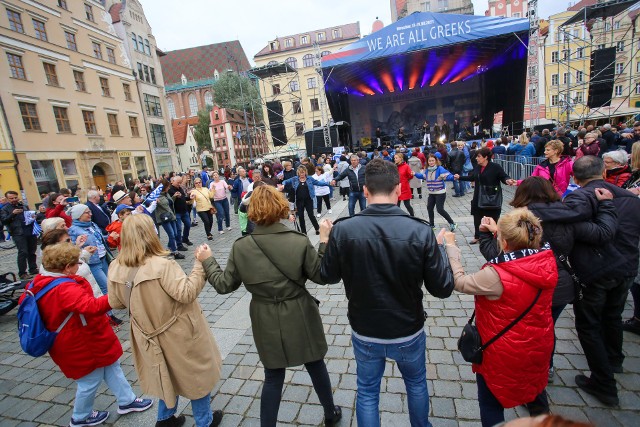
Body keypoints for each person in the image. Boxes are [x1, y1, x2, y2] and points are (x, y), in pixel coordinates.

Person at [320, 158, 454, 426]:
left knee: (368, 392)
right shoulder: (420, 230)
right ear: (398, 189)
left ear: (365, 191)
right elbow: (442, 288)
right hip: (407, 328)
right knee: (416, 384)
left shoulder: (343, 229)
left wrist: (325, 240)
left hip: (365, 328)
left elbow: (327, 276)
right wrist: (441, 249)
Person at [202, 186, 341, 427]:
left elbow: (224, 285)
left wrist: (208, 262)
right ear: (281, 208)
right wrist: (325, 240)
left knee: (273, 375)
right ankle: (330, 413)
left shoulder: (241, 246)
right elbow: (322, 276)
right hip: (299, 310)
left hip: (264, 315)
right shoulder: (297, 240)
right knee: (315, 363)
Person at [480, 177, 617, 383]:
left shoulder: (518, 220)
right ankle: (546, 366)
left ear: (521, 195)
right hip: (559, 284)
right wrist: (606, 205)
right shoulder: (568, 216)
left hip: (527, 286)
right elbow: (603, 233)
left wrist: (486, 234)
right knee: (547, 326)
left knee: (529, 330)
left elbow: (496, 254)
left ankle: (535, 371)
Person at [528, 155, 640, 407]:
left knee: (589, 326)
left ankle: (604, 382)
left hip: (597, 270)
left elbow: (590, 229)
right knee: (612, 316)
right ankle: (614, 361)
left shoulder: (581, 198)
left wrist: (536, 209)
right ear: (603, 171)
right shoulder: (630, 198)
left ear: (574, 177)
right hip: (626, 268)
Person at [441, 209, 557, 427]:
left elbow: (460, 282)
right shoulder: (546, 261)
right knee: (535, 391)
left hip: (503, 351)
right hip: (538, 345)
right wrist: (497, 233)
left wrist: (451, 247)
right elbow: (515, 257)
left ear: (504, 243)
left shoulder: (495, 275)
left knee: (491, 403)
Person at [107, 214, 224, 427]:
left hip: (145, 334)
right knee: (195, 376)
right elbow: (187, 293)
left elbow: (116, 303)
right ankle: (204, 422)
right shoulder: (162, 266)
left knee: (164, 375)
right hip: (178, 332)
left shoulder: (115, 267)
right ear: (150, 234)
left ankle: (165, 419)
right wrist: (199, 264)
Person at [20, 243, 153, 427]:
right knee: (89, 381)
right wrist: (122, 291)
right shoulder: (63, 288)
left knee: (111, 367)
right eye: (77, 263)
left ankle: (127, 400)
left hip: (80, 338)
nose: (79, 267)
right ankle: (80, 417)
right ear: (67, 268)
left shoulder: (40, 281)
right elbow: (92, 307)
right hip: (81, 343)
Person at [67, 204, 121, 326]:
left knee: (109, 284)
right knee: (104, 286)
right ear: (79, 216)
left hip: (102, 257)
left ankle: (109, 312)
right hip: (92, 262)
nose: (90, 214)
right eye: (87, 212)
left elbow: (99, 238)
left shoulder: (91, 225)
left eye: (90, 211)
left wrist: (109, 237)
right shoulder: (74, 230)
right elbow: (72, 248)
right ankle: (109, 315)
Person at [454, 148, 516, 244]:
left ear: (486, 157)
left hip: (491, 197)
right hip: (478, 196)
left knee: (493, 217)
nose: (476, 159)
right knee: (477, 217)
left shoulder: (495, 167)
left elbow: (503, 176)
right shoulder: (478, 167)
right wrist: (460, 177)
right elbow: (472, 177)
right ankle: (477, 236)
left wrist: (507, 180)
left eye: (479, 156)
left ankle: (494, 236)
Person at [281, 166, 330, 235]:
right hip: (299, 201)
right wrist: (283, 185)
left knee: (311, 215)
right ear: (298, 173)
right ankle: (304, 232)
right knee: (301, 216)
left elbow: (318, 183)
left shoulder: (309, 178)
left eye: (303, 172)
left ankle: (317, 228)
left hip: (308, 200)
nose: (302, 174)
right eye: (300, 173)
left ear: (305, 172)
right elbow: (285, 181)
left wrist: (328, 184)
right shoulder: (295, 179)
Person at [1, 191, 38, 279]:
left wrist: (33, 216)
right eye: (11, 198)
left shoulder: (23, 205)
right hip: (17, 233)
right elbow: (4, 221)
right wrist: (13, 214)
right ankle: (22, 272)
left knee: (32, 251)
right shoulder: (4, 209)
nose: (14, 199)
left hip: (29, 230)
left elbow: (29, 215)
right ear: (7, 199)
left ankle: (33, 268)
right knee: (23, 252)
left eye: (15, 197)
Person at [423, 154, 457, 231]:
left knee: (440, 209)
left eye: (432, 160)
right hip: (431, 193)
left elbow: (447, 175)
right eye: (429, 161)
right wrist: (415, 174)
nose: (431, 162)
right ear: (427, 162)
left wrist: (453, 177)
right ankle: (431, 225)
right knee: (429, 208)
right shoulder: (427, 170)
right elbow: (422, 176)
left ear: (436, 161)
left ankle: (452, 223)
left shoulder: (439, 168)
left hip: (440, 192)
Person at [155, 180, 185, 259]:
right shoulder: (157, 196)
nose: (169, 188)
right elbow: (149, 203)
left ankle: (169, 248)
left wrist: (174, 197)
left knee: (175, 234)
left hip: (171, 216)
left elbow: (169, 203)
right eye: (167, 186)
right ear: (164, 187)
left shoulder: (166, 194)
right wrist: (154, 202)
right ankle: (175, 252)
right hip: (164, 218)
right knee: (171, 235)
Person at [168, 176, 192, 247]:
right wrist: (175, 196)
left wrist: (189, 197)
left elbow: (183, 197)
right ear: (173, 181)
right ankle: (179, 244)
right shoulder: (170, 190)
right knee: (178, 229)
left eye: (180, 182)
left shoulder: (180, 188)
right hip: (176, 212)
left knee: (188, 224)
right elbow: (169, 201)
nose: (179, 184)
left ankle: (185, 238)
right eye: (178, 182)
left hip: (184, 211)